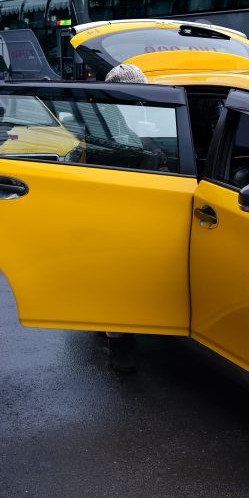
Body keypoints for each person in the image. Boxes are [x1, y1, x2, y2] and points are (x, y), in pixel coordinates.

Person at [101, 63, 147, 373]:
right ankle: (117, 342)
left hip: (145, 205)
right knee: (115, 277)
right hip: (116, 208)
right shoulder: (105, 121)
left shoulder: (146, 114)